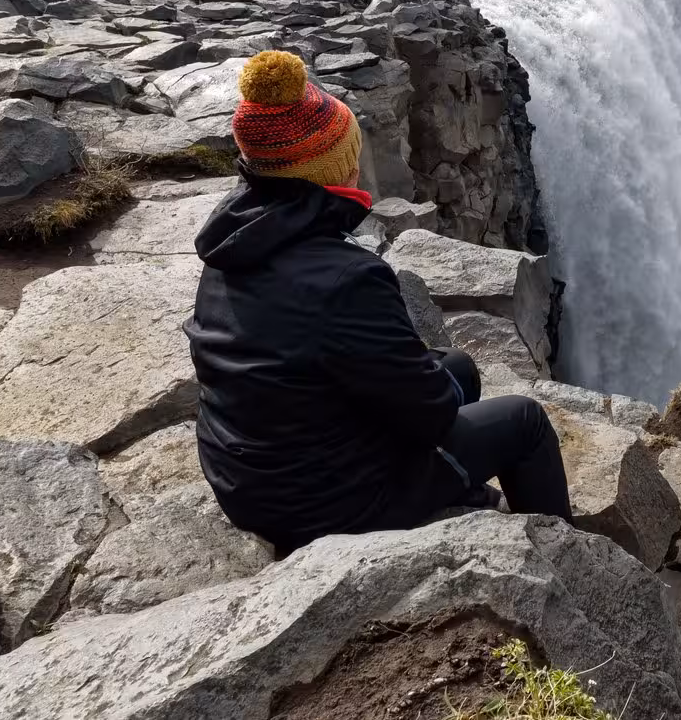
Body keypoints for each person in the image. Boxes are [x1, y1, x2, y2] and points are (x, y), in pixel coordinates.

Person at [184, 49, 571, 555]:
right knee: (524, 421)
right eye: (350, 154)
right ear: (332, 167)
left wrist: (433, 379)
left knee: (458, 367)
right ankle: (570, 560)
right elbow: (428, 412)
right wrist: (431, 387)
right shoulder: (348, 278)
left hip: (248, 479)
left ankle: (457, 490)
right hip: (329, 504)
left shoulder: (233, 242)